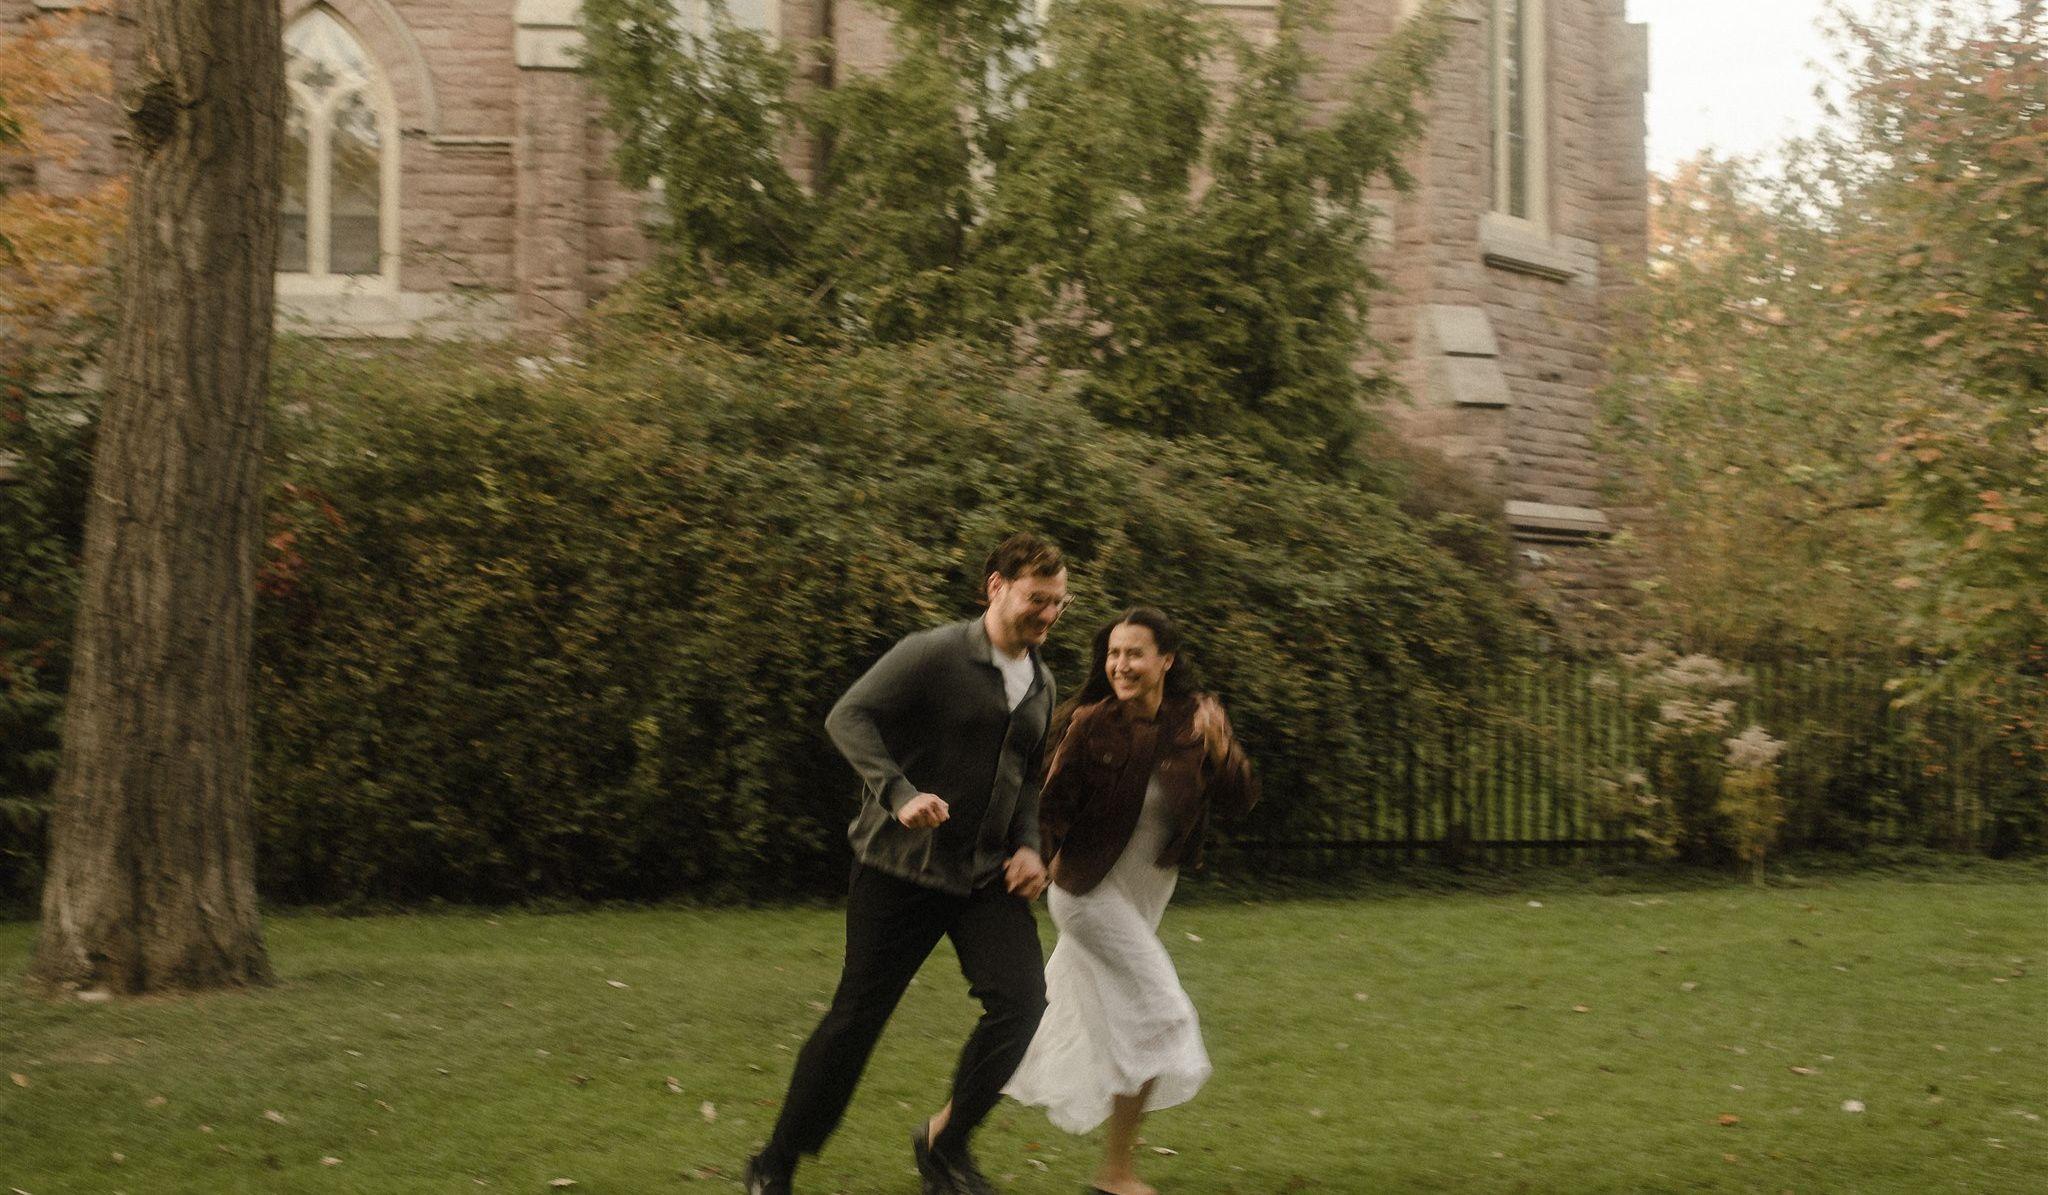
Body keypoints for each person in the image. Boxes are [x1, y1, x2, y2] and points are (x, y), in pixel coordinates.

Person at [746, 533, 1069, 1195]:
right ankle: (774, 1162)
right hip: (900, 871)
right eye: (1038, 599)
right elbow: (848, 716)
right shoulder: (934, 653)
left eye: (1058, 603)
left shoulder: (1041, 682)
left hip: (984, 876)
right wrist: (898, 794)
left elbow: (1028, 778)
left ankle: (944, 1145)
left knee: (1022, 1003)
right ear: (997, 587)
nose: (1048, 614)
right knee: (857, 1018)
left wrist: (1031, 846)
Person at [1003, 607, 1258, 1195]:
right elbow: (1050, 805)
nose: (1120, 665)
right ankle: (1117, 1174)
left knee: (1079, 1023)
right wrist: (1033, 857)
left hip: (1145, 894)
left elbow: (1240, 800)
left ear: (1165, 660)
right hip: (1086, 894)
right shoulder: (1092, 724)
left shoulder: (1195, 721)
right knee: (1162, 1015)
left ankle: (943, 1133)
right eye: (1113, 654)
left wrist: (1223, 751)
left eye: (1134, 653)